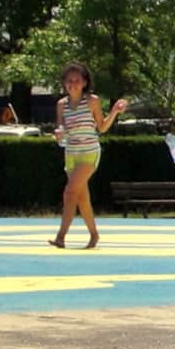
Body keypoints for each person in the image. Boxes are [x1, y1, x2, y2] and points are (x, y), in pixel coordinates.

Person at [49, 62, 128, 250]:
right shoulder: (61, 105)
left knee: (69, 192)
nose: (72, 84)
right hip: (71, 153)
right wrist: (59, 134)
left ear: (84, 82)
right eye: (69, 80)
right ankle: (94, 235)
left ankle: (61, 237)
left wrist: (115, 111)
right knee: (81, 198)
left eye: (77, 80)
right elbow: (61, 130)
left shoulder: (92, 101)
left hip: (89, 152)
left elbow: (101, 127)